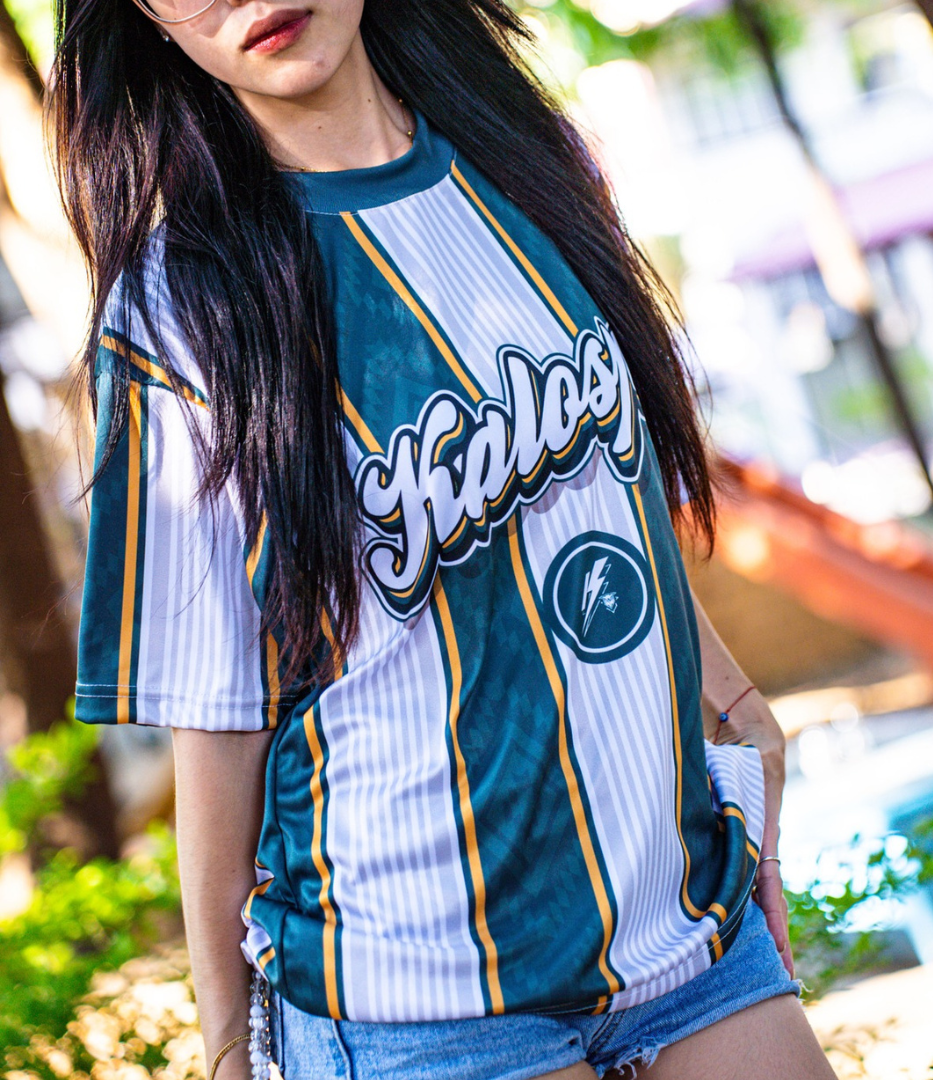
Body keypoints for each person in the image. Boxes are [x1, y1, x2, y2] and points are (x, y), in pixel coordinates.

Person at [55, 0, 838, 1076]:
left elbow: (597, 486)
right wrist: (230, 1044)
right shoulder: (176, 312)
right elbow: (216, 709)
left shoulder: (528, 162)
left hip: (685, 921)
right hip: (416, 997)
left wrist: (739, 705)